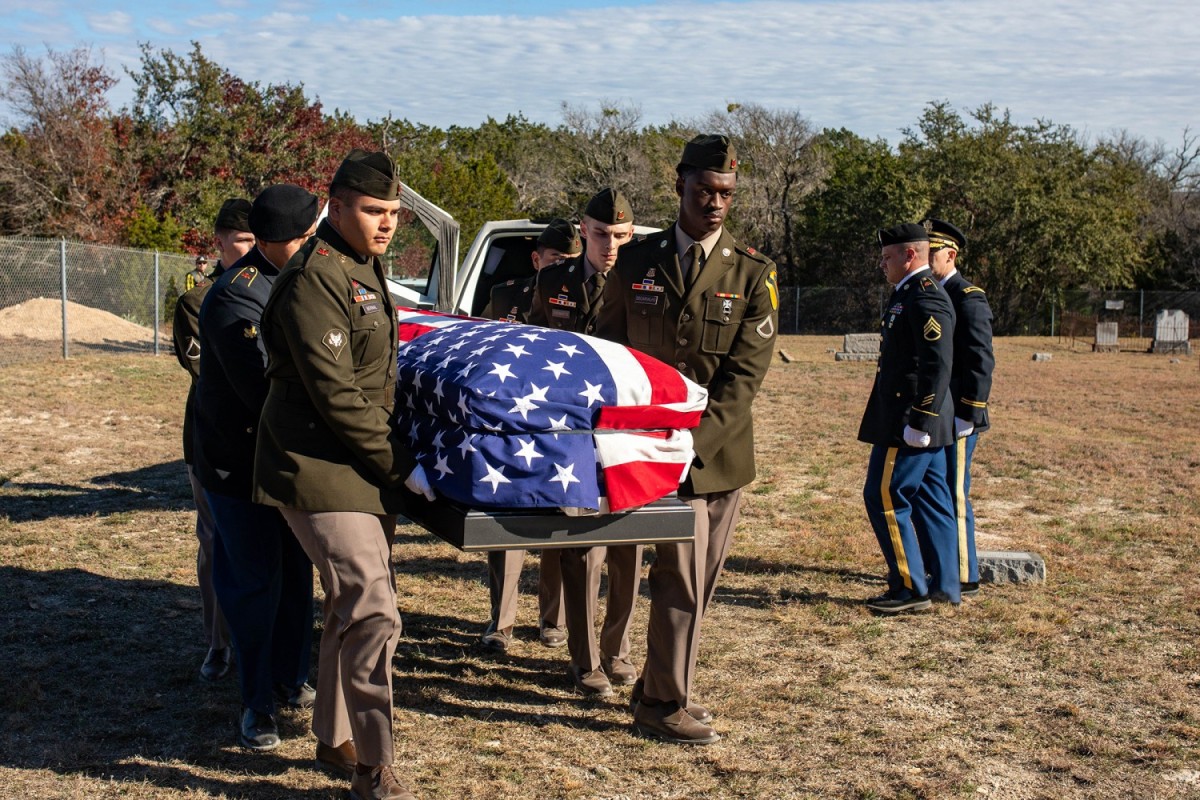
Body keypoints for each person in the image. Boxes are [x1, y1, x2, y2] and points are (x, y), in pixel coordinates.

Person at [254, 150, 427, 800]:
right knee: (375, 609)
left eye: (393, 213)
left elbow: (377, 377)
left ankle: (333, 736)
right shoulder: (315, 279)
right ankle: (373, 766)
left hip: (357, 461)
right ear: (338, 204)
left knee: (350, 606)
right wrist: (404, 465)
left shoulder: (365, 266)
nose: (386, 224)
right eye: (372, 211)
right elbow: (337, 396)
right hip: (314, 463)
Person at [595, 136, 779, 744]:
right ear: (679, 186)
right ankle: (663, 699)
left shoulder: (752, 274)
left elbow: (743, 379)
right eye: (705, 191)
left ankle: (662, 691)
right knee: (671, 571)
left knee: (692, 578)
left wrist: (687, 449)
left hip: (710, 459)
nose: (715, 203)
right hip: (643, 450)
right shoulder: (637, 261)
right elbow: (611, 350)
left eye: (725, 194)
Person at [195, 185, 320, 751]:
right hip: (239, 462)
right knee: (252, 582)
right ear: (278, 242)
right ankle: (255, 704)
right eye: (306, 236)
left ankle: (291, 678)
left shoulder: (300, 276)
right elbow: (264, 390)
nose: (314, 243)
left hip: (289, 459)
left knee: (296, 573)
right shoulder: (235, 297)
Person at [527, 189, 644, 697]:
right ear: (583, 231)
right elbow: (535, 348)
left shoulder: (644, 281)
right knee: (579, 547)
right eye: (601, 234)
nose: (611, 245)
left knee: (627, 546)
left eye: (620, 235)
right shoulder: (553, 281)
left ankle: (616, 649)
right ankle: (585, 658)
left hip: (626, 428)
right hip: (572, 431)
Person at [477, 218, 582, 653]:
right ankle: (500, 623)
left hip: (564, 427)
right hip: (513, 426)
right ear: (538, 259)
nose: (564, 270)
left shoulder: (584, 299)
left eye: (572, 263)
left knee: (562, 523)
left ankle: (552, 619)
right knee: (508, 526)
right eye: (557, 261)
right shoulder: (505, 296)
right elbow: (479, 346)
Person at [171, 197, 254, 684]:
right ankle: (217, 641)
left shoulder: (276, 291)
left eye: (254, 240)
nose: (247, 250)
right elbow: (206, 369)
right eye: (240, 241)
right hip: (213, 437)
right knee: (215, 542)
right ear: (219, 243)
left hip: (265, 438)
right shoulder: (197, 301)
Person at [858, 222, 959, 614]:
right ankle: (946, 584)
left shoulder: (924, 297)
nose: (881, 265)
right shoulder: (908, 294)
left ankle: (909, 586)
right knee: (932, 500)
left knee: (884, 495)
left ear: (909, 256)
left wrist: (921, 418)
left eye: (887, 258)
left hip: (909, 420)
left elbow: (937, 365)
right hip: (911, 417)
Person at [923, 217, 994, 598]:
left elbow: (980, 360)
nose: (926, 257)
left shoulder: (968, 297)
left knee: (955, 491)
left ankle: (966, 572)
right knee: (937, 492)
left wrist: (971, 411)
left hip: (961, 414)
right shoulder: (931, 292)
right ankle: (944, 566)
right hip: (940, 413)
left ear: (950, 255)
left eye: (932, 251)